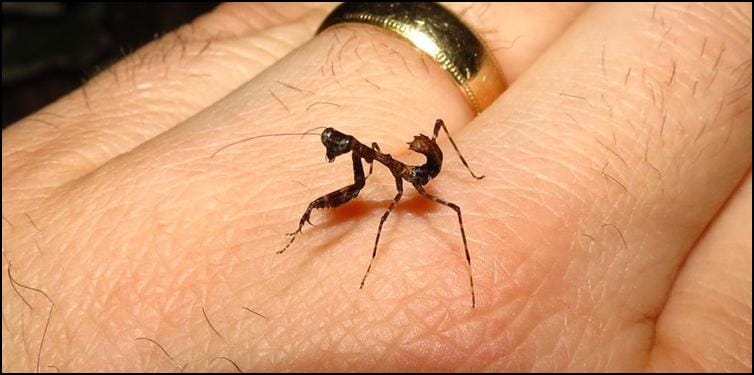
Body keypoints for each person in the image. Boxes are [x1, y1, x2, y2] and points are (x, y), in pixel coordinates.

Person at [2, 2, 750, 372]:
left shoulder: (401, 177)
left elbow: (404, 195)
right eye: (338, 149)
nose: (337, 157)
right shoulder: (365, 160)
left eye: (337, 147)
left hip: (425, 181)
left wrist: (377, 259)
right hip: (404, 162)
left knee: (431, 202)